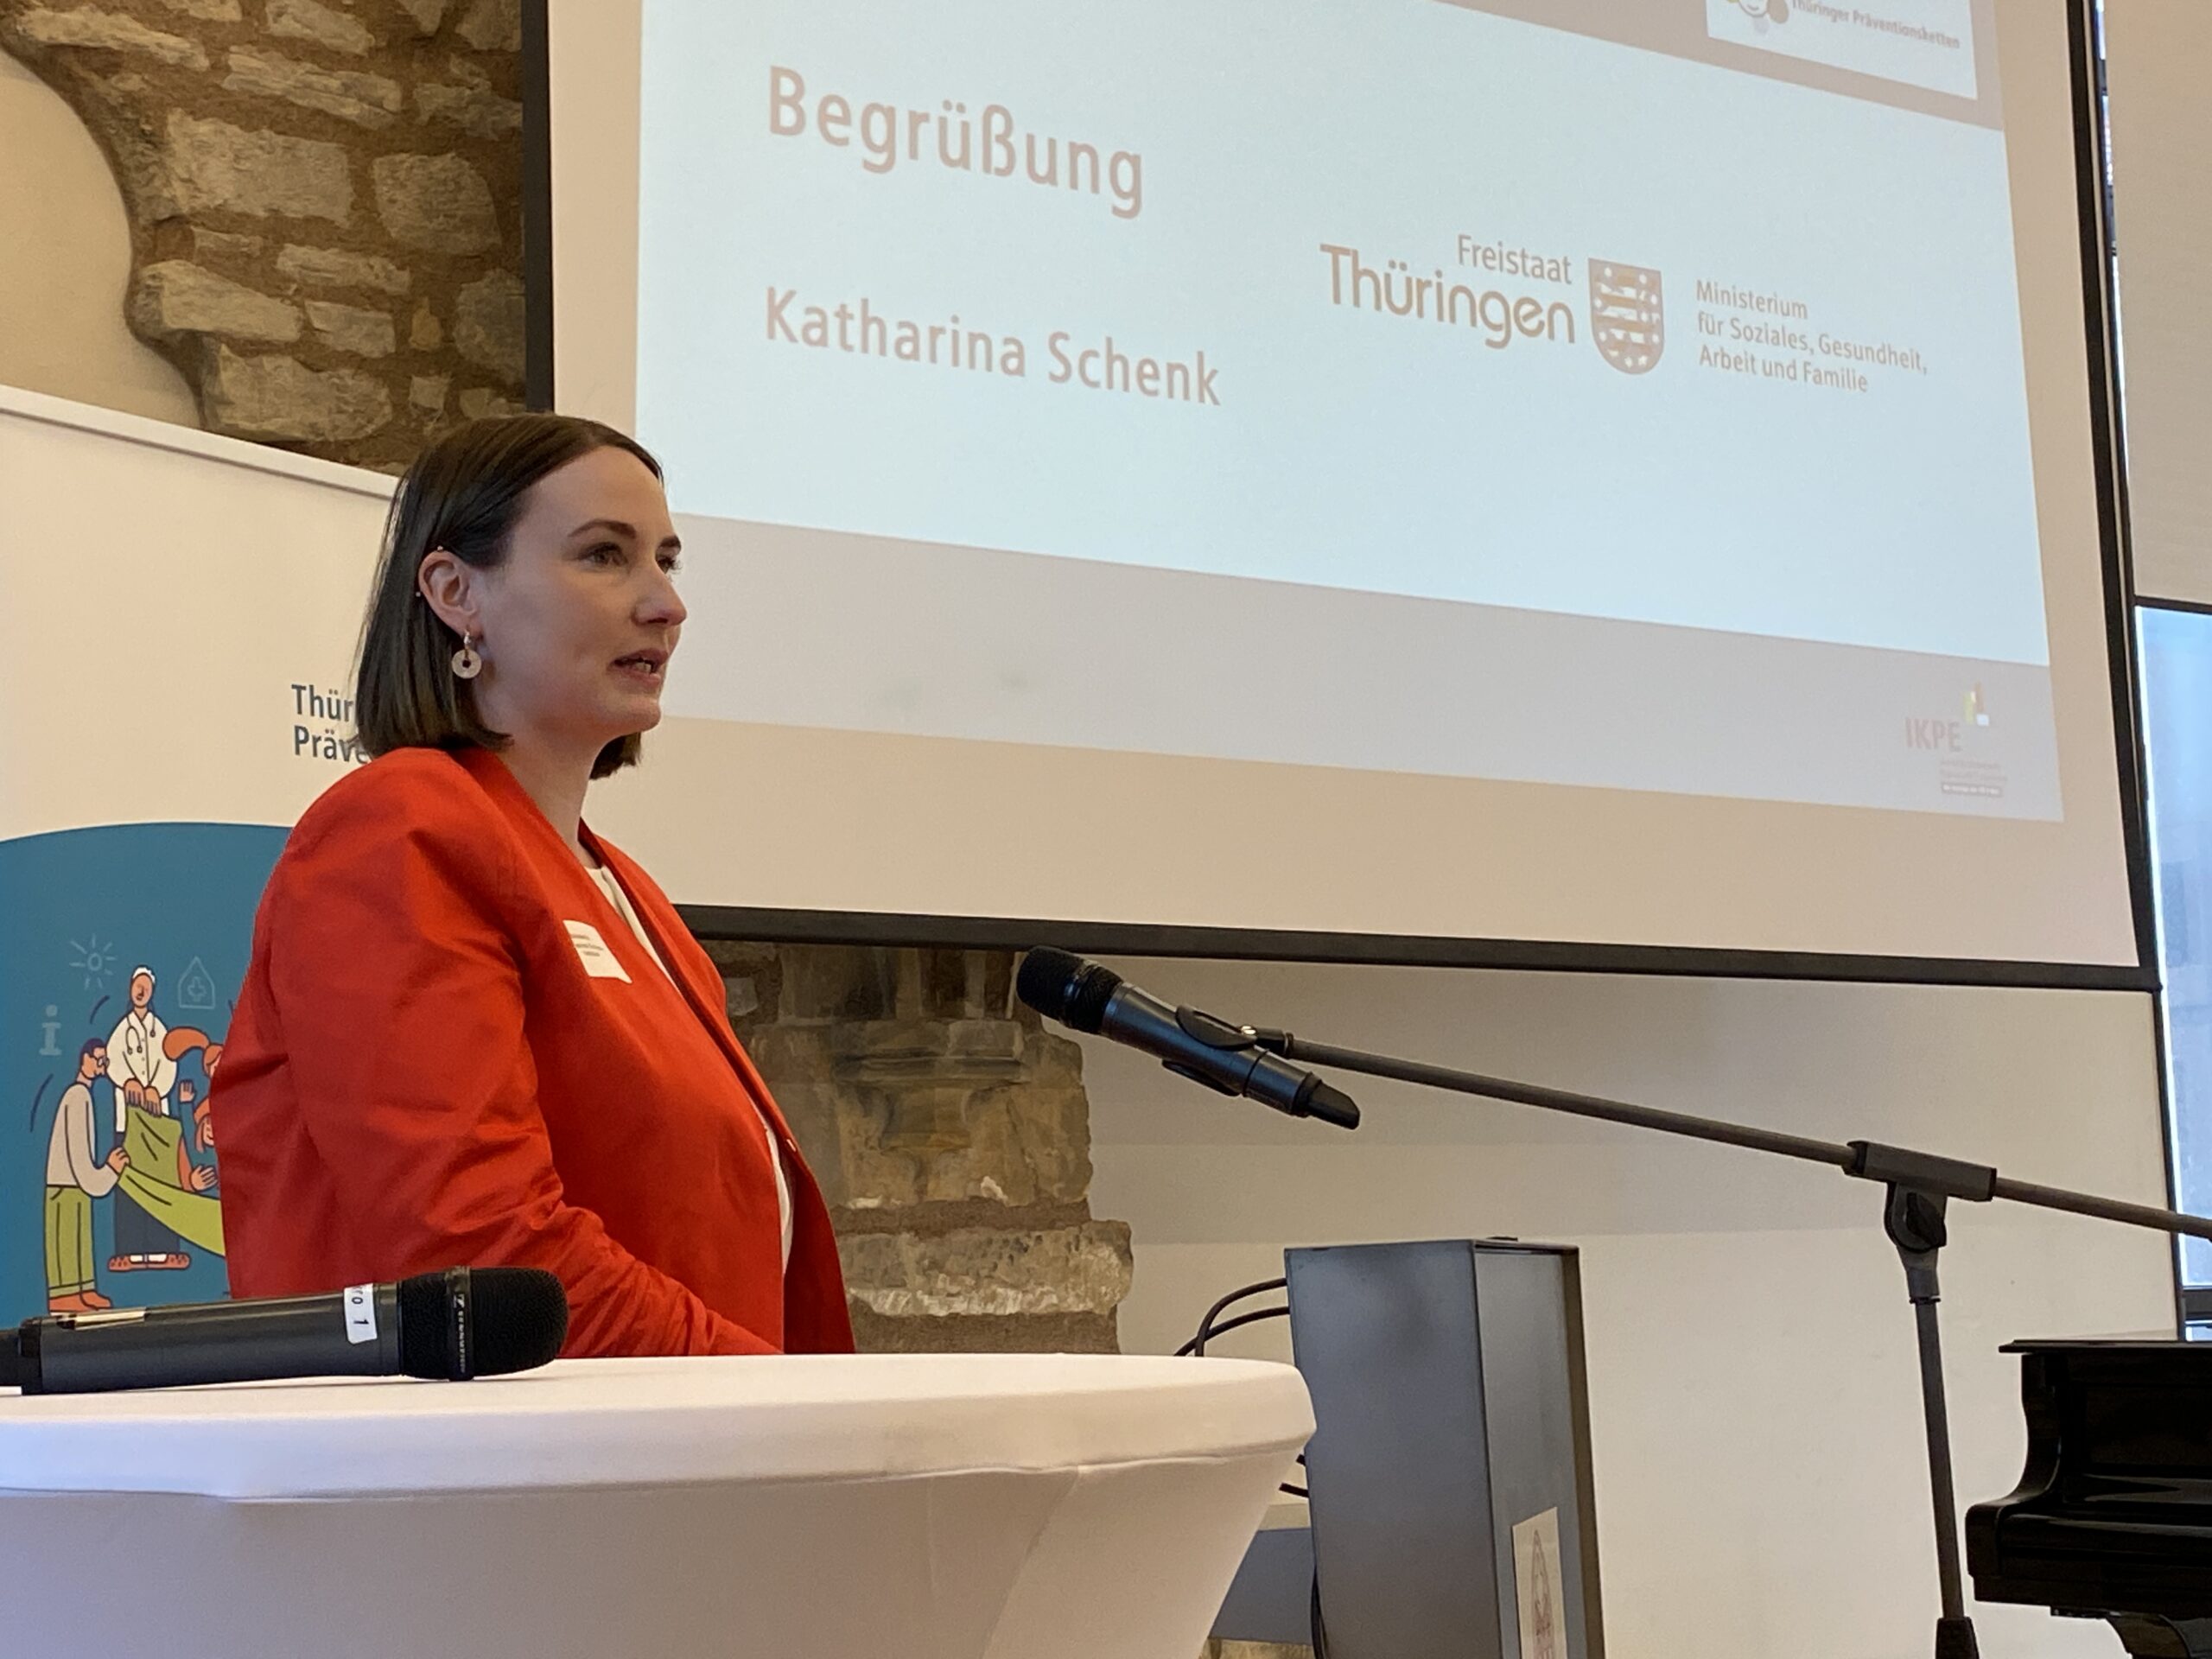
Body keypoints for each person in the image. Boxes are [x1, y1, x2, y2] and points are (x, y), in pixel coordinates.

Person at [209, 415, 853, 1357]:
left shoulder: (626, 890)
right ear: (455, 592)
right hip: (514, 1446)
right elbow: (482, 1252)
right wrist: (770, 1399)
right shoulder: (399, 831)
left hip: (682, 1433)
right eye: (604, 555)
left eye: (667, 560)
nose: (666, 604)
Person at [44, 1039, 128, 1312]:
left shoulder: (84, 1096)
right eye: (99, 1061)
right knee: (66, 1236)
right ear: (85, 1059)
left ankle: (84, 1288)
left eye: (106, 1062)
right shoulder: (77, 1096)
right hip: (64, 1184)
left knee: (82, 1234)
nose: (102, 1068)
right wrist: (110, 1170)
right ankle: (64, 1294)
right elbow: (79, 1157)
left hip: (76, 1184)